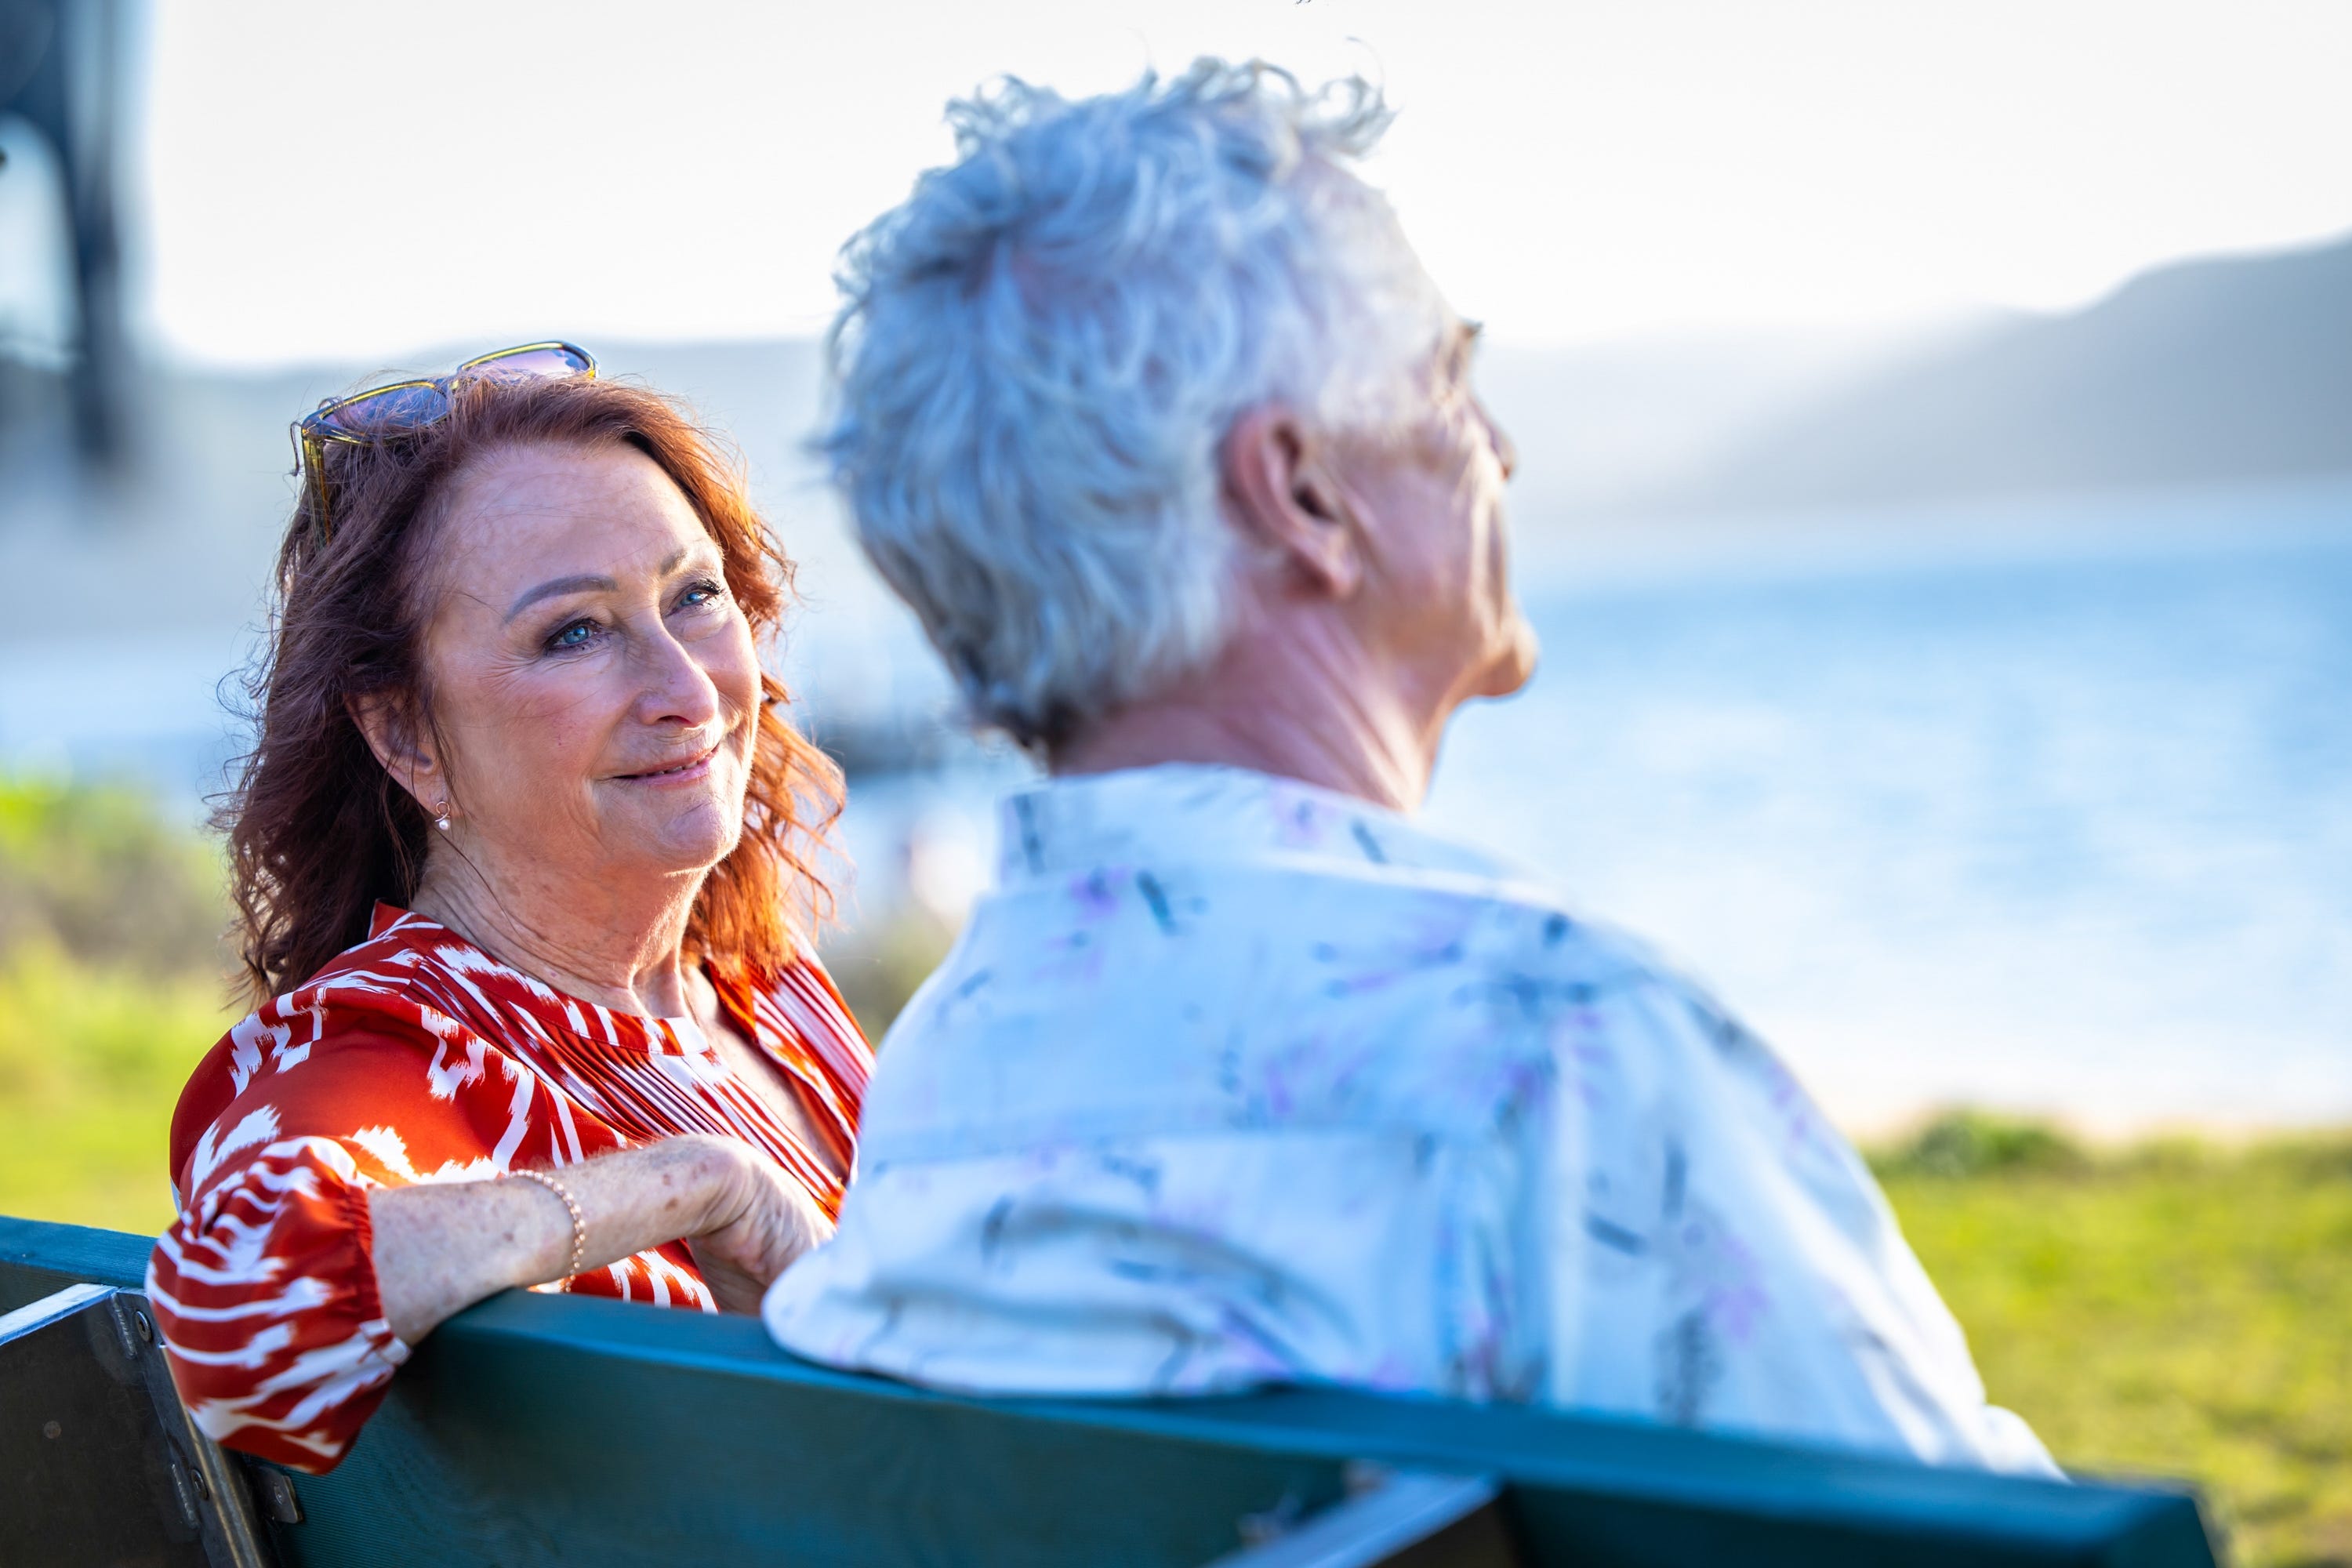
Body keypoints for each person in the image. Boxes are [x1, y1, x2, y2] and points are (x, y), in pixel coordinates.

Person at [764, 64, 2054, 1475]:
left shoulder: (938, 1084)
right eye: (1451, 379)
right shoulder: (1558, 1050)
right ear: (1306, 495)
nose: (1495, 447)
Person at [148, 348, 870, 1474]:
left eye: (695, 597)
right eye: (572, 633)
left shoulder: (758, 986)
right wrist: (701, 1184)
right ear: (406, 738)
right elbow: (244, 1325)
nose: (687, 691)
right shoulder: (407, 1061)